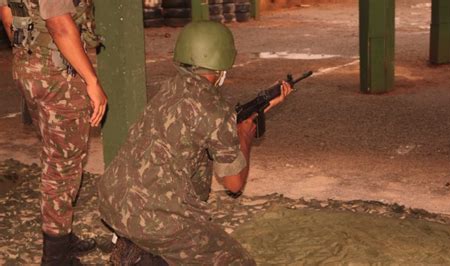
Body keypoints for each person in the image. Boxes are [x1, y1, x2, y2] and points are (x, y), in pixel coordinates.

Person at [97, 20, 291, 265]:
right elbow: (234, 184)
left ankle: (137, 247)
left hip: (114, 202)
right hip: (157, 220)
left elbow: (201, 124)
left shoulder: (172, 87)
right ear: (222, 62)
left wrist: (253, 112)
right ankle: (144, 253)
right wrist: (243, 135)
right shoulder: (215, 109)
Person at [0, 0, 107, 265]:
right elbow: (59, 26)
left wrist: (29, 54)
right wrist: (92, 82)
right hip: (58, 78)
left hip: (29, 70)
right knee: (63, 167)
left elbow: (7, 14)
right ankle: (56, 255)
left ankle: (61, 235)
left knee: (53, 156)